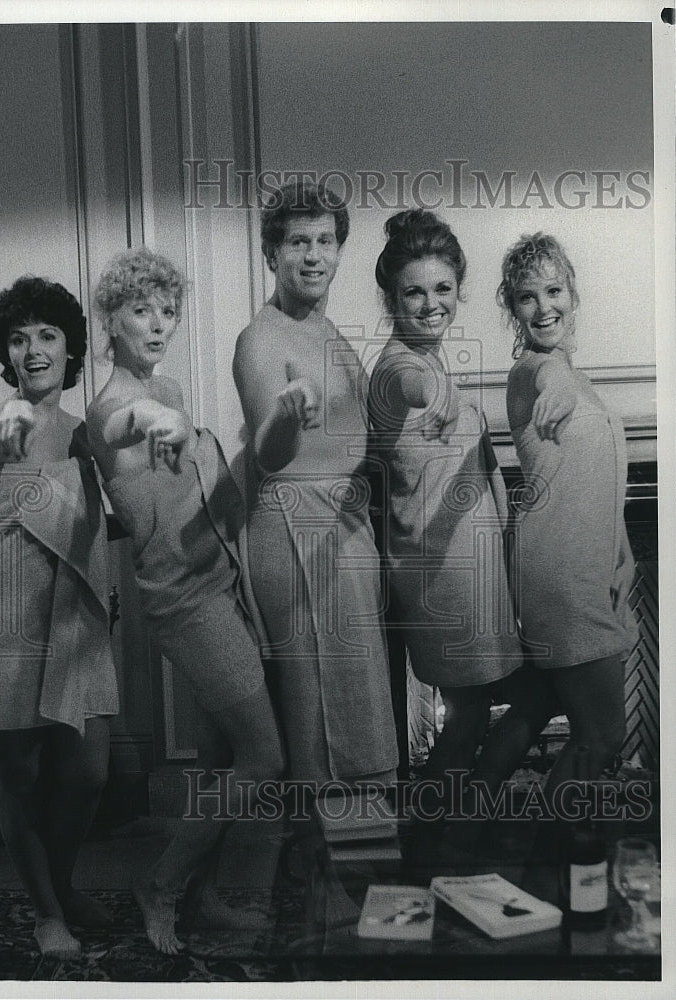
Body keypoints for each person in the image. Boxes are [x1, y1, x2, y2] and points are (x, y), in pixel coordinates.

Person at [87, 246, 284, 954]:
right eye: (141, 310)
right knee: (264, 755)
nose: (159, 323)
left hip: (222, 582)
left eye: (168, 311)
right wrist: (145, 417)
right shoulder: (112, 408)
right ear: (109, 320)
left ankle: (215, 895)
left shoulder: (168, 392)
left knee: (218, 759)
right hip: (183, 604)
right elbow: (115, 429)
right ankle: (160, 885)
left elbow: (202, 487)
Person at [0, 277, 120, 959]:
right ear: (6, 353)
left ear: (69, 347)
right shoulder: (1, 425)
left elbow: (102, 521)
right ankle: (48, 911)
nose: (33, 349)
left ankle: (65, 883)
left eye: (47, 334)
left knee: (87, 773)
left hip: (72, 612)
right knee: (19, 775)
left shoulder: (88, 435)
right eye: (19, 338)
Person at [369, 209, 555, 815]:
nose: (430, 304)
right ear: (391, 297)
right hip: (441, 576)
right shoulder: (400, 367)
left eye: (442, 289)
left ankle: (454, 825)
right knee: (478, 709)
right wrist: (438, 393)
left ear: (459, 290)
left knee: (493, 707)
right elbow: (409, 389)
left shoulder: (430, 356)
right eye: (414, 292)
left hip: (472, 571)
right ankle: (443, 832)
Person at [232, 178, 398, 792]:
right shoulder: (261, 338)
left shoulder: (329, 334)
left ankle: (342, 867)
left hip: (345, 534)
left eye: (325, 241)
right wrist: (285, 416)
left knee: (353, 706)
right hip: (294, 534)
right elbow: (268, 454)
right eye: (298, 241)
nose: (313, 255)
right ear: (271, 253)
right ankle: (318, 879)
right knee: (314, 715)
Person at [499, 232, 638, 798]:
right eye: (527, 298)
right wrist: (555, 378)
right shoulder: (535, 371)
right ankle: (546, 861)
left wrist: (623, 550)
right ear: (513, 309)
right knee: (603, 734)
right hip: (560, 574)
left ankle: (458, 835)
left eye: (553, 291)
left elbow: (598, 479)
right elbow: (544, 378)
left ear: (572, 296)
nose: (543, 307)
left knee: (534, 707)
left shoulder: (579, 380)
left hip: (580, 568)